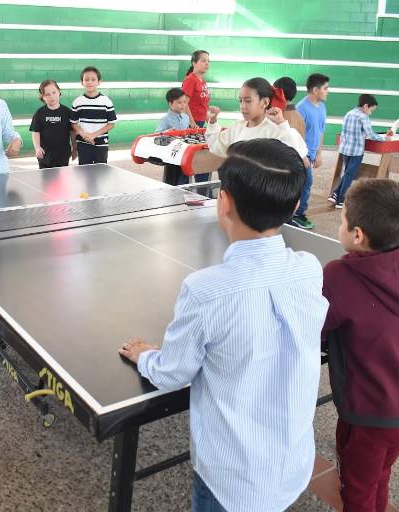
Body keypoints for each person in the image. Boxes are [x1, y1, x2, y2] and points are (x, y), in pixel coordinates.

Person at [118, 139, 328, 512]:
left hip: (230, 478)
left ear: (224, 202)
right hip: (291, 462)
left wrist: (146, 356)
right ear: (295, 205)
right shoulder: (308, 269)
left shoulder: (205, 291)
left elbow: (172, 374)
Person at [322, 179, 399, 512]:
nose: (339, 224)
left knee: (356, 493)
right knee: (379, 477)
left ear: (357, 235)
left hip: (369, 418)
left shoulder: (338, 275)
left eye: (342, 219)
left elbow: (311, 328)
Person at [205, 77, 308, 163]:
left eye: (248, 101)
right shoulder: (237, 127)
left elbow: (297, 153)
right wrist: (213, 121)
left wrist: (282, 124)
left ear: (265, 102)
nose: (242, 106)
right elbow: (216, 146)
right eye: (241, 101)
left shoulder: (275, 130)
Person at [329, 94, 385, 208]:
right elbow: (370, 134)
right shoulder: (363, 117)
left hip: (345, 149)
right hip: (356, 151)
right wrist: (383, 138)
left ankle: (335, 194)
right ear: (365, 106)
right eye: (371, 110)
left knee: (347, 172)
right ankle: (341, 200)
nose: (370, 113)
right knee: (350, 174)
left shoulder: (349, 113)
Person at [295, 73, 330, 229]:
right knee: (305, 183)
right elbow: (295, 136)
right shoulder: (301, 109)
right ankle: (298, 215)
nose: (328, 91)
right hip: (300, 155)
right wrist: (303, 156)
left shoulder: (322, 107)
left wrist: (319, 153)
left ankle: (295, 213)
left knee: (304, 184)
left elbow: (321, 131)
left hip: (311, 154)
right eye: (325, 88)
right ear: (315, 90)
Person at [70, 66, 117, 165]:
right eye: (86, 79)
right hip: (83, 143)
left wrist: (93, 135)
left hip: (101, 143)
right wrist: (83, 134)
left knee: (100, 171)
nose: (90, 82)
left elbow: (111, 124)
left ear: (99, 82)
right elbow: (73, 123)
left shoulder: (106, 101)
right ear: (82, 82)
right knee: (84, 171)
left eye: (93, 79)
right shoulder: (77, 102)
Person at [29, 79, 76, 169]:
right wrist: (37, 147)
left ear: (59, 92)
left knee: (62, 181)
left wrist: (74, 148)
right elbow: (35, 132)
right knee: (46, 181)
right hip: (45, 155)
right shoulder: (39, 113)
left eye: (54, 92)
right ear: (43, 97)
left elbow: (72, 132)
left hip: (63, 155)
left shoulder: (67, 112)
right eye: (47, 94)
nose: (52, 96)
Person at [182, 50, 212, 182]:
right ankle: (199, 189)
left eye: (208, 61)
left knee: (203, 158)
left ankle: (203, 189)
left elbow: (204, 105)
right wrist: (192, 123)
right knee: (197, 159)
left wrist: (210, 122)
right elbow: (184, 104)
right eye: (203, 61)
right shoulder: (190, 80)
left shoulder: (203, 81)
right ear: (194, 63)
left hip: (201, 124)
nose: (207, 64)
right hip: (192, 125)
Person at [157, 87, 191, 185]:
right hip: (171, 156)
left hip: (184, 154)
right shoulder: (165, 120)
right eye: (179, 102)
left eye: (184, 102)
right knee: (171, 181)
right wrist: (167, 133)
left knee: (184, 179)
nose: (183, 105)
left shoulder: (186, 117)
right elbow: (157, 136)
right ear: (170, 103)